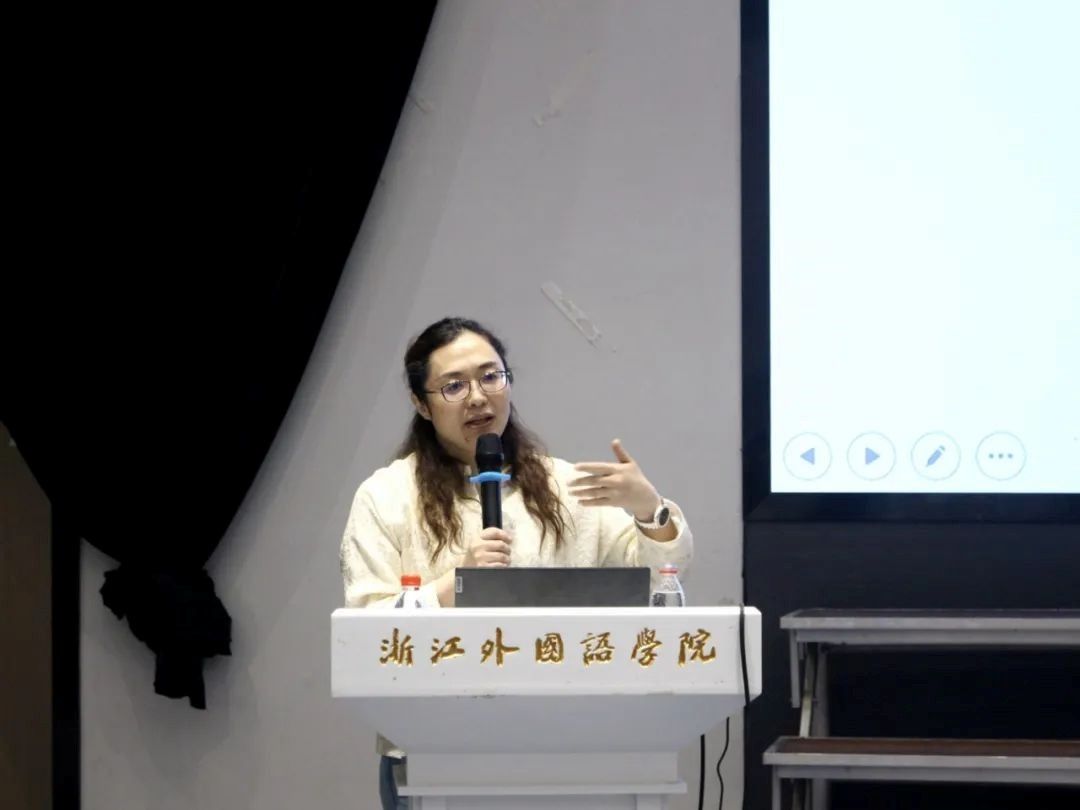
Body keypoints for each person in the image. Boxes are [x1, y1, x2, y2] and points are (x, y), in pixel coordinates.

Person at [339, 316, 693, 809]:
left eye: (491, 376)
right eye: (453, 386)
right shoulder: (386, 496)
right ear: (421, 403)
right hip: (433, 746)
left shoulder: (565, 486)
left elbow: (656, 583)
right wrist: (450, 588)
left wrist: (648, 509)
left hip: (571, 741)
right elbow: (363, 630)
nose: (478, 397)